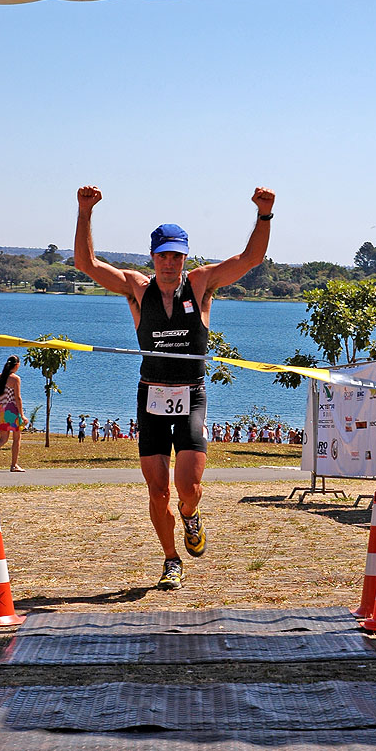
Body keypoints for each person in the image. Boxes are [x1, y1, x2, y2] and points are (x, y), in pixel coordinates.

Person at [75, 183, 275, 591]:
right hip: (150, 395)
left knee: (188, 487)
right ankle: (170, 560)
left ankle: (191, 516)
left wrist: (264, 214)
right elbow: (87, 263)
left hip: (191, 394)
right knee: (157, 490)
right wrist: (85, 212)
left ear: (185, 257)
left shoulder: (200, 285)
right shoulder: (137, 287)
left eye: (177, 255)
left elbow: (252, 258)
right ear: (153, 257)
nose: (170, 262)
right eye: (163, 255)